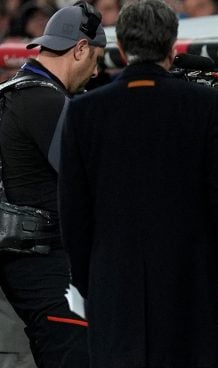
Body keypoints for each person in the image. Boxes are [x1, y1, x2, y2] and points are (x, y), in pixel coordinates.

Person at [57, 0, 218, 367]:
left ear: (123, 49)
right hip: (188, 281)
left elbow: (74, 211)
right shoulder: (205, 104)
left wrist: (90, 280)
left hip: (112, 281)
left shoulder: (83, 112)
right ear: (173, 46)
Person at [0, 2, 106, 366]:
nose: (95, 74)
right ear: (79, 49)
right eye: (95, 60)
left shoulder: (10, 93)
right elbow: (93, 185)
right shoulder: (47, 102)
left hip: (16, 279)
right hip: (44, 273)